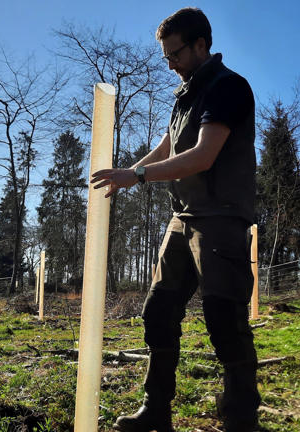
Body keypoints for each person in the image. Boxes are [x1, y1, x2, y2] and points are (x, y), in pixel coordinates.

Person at [89, 7, 260, 432]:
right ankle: (157, 411)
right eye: (165, 57)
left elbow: (202, 156)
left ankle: (241, 420)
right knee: (158, 312)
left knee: (225, 321)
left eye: (175, 54)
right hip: (183, 218)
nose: (170, 64)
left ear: (201, 44)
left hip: (220, 218)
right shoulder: (186, 95)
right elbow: (168, 147)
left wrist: (139, 175)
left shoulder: (228, 87)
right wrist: (128, 175)